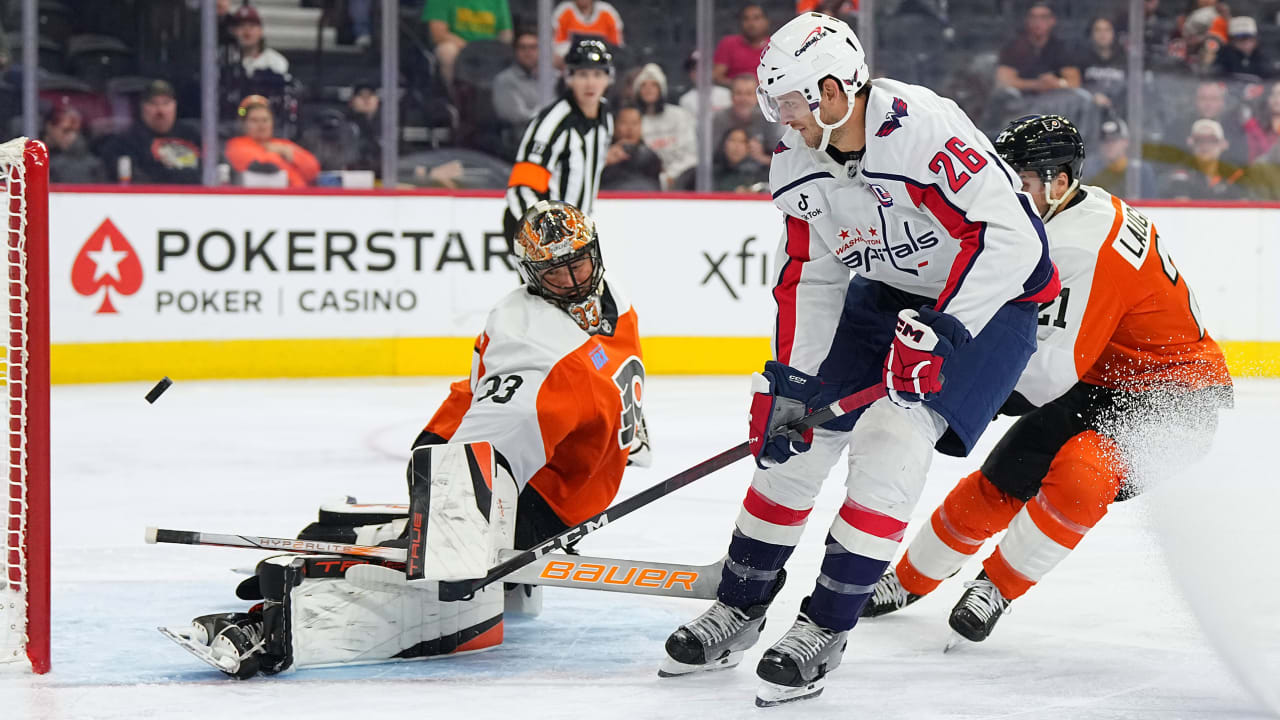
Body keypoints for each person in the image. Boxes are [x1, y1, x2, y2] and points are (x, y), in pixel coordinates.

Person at [658, 12, 1059, 707]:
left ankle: (823, 626)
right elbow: (809, 277)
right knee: (795, 444)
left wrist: (943, 330)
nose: (780, 116)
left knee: (892, 439)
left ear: (836, 89)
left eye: (791, 100)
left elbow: (1013, 239)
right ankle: (740, 604)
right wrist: (793, 379)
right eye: (774, 101)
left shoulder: (922, 131)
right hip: (887, 295)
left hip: (992, 306)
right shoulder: (796, 158)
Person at [164, 201, 650, 679]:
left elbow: (478, 451)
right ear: (529, 273)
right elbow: (467, 469)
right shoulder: (580, 324)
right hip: (551, 480)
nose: (572, 280)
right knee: (438, 546)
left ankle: (347, 555)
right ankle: (297, 604)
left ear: (595, 251)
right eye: (554, 272)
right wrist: (438, 522)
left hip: (554, 492)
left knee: (439, 534)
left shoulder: (554, 329)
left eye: (578, 263)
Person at [861, 115, 1233, 645]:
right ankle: (905, 581)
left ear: (1059, 182)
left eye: (1023, 184)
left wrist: (957, 391)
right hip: (1104, 378)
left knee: (1083, 472)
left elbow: (1043, 377)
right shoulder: (1062, 214)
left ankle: (997, 586)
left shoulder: (1079, 247)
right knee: (1003, 478)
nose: (1009, 194)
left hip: (1178, 400)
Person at [504, 38, 613, 242]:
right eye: (582, 74)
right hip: (539, 231)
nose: (590, 83)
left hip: (574, 231)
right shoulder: (552, 123)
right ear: (569, 78)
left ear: (608, 78)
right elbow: (522, 187)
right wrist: (545, 232)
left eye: (597, 74)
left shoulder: (605, 118)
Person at [103, 79, 202, 184]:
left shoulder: (192, 135)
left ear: (175, 106)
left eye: (166, 103)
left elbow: (213, 169)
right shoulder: (125, 142)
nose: (160, 111)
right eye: (153, 103)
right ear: (143, 107)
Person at [225, 95, 320, 187]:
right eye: (254, 120)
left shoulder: (283, 144)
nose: (261, 125)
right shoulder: (236, 145)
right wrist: (283, 155)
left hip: (298, 197)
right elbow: (267, 165)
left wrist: (289, 154)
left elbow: (313, 169)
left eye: (265, 120)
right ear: (244, 125)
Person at [630, 63, 696, 190]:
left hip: (683, 178)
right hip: (645, 182)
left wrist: (671, 175)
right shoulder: (633, 120)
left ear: (662, 89)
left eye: (654, 85)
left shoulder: (679, 115)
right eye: (644, 85)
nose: (649, 89)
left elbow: (691, 153)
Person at [995, 3, 1082, 97]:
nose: (1038, 22)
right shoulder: (1013, 47)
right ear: (1027, 20)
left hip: (1054, 99)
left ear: (1052, 20)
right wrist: (1036, 84)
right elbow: (1004, 82)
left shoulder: (1061, 48)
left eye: (1043, 17)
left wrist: (1058, 83)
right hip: (1021, 99)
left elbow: (1074, 82)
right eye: (1033, 17)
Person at [423, 0, 514, 89]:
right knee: (447, 51)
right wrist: (471, 49)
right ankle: (457, 98)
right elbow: (438, 34)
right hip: (458, 49)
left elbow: (506, 34)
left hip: (489, 50)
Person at [1161, 117, 1251, 199]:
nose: (1205, 146)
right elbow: (1181, 208)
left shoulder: (1235, 175)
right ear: (1191, 144)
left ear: (1223, 145)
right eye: (1199, 140)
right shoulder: (1180, 175)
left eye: (1212, 140)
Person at [712, 74, 780, 168]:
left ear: (757, 97)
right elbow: (711, 156)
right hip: (725, 174)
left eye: (749, 94)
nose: (743, 99)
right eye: (739, 93)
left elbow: (782, 159)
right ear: (731, 95)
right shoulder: (719, 119)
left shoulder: (769, 119)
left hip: (761, 174)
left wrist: (761, 157)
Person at [1084, 117, 1157, 197]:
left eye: (1114, 140)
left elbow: (1149, 204)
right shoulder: (1089, 170)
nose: (1109, 145)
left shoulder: (1141, 171)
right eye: (1105, 141)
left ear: (1126, 142)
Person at [601, 105, 663, 191]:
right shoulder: (601, 154)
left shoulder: (651, 156)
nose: (630, 128)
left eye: (635, 123)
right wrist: (604, 160)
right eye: (624, 122)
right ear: (614, 126)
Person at [41, 106, 106, 184]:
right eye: (66, 131)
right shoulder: (33, 153)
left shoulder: (90, 163)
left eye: (76, 132)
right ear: (49, 127)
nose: (73, 137)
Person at [1077, 16, 1127, 114]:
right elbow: (1075, 87)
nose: (1102, 34)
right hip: (1088, 112)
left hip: (1120, 112)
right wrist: (1092, 96)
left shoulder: (1125, 60)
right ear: (1091, 34)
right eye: (1097, 30)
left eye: (1107, 30)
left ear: (1114, 33)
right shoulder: (1081, 59)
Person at [493, 30, 542, 127]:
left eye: (533, 47)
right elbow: (516, 117)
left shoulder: (553, 77)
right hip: (520, 136)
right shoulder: (504, 80)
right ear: (515, 51)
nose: (528, 52)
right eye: (522, 47)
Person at [713, 4, 771, 86]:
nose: (751, 23)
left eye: (756, 18)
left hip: (766, 95)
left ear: (767, 21)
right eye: (746, 19)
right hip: (732, 94)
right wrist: (741, 88)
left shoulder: (774, 46)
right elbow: (717, 76)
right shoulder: (728, 43)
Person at [552, 0, 624, 62]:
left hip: (602, 64)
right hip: (571, 64)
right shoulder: (564, 11)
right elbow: (556, 46)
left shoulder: (607, 12)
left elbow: (617, 45)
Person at [230, 5, 290, 78]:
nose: (247, 30)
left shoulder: (275, 62)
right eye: (241, 25)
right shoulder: (227, 59)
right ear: (234, 31)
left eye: (252, 26)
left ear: (261, 31)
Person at [712, 127, 768, 193]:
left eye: (742, 141)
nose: (737, 146)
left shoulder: (758, 173)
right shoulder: (712, 172)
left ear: (748, 147)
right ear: (724, 145)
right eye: (732, 140)